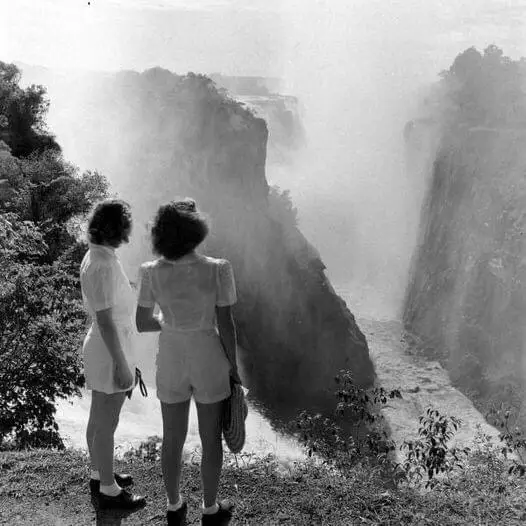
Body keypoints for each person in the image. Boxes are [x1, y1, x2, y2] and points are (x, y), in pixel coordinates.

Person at [136, 198, 241, 526]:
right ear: (195, 229)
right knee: (210, 438)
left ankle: (173, 506)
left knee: (172, 437)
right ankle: (210, 510)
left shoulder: (150, 272)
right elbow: (226, 324)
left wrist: (171, 324)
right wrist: (233, 368)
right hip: (208, 355)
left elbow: (142, 322)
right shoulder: (218, 268)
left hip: (170, 357)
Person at [80, 198, 146, 510]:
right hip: (110, 349)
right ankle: (108, 489)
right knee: (107, 421)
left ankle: (99, 473)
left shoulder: (97, 256)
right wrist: (122, 365)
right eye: (125, 225)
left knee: (99, 416)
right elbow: (106, 320)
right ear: (115, 229)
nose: (128, 231)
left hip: (103, 345)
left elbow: (107, 307)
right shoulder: (103, 265)